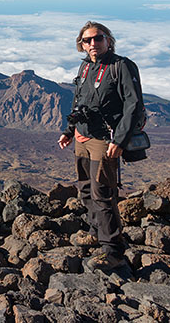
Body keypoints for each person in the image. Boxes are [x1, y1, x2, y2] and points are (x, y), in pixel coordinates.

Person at [58, 21, 140, 271]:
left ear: (108, 40)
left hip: (104, 141)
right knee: (84, 189)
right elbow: (79, 102)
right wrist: (69, 131)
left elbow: (133, 105)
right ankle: (97, 231)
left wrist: (120, 140)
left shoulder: (121, 66)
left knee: (102, 193)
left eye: (98, 38)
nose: (93, 44)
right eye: (87, 40)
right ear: (81, 45)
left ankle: (113, 251)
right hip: (82, 138)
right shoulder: (85, 68)